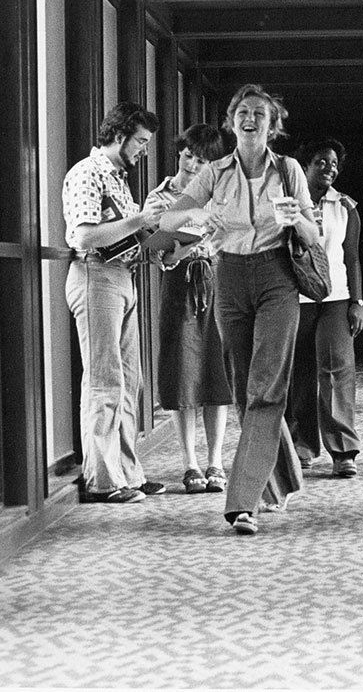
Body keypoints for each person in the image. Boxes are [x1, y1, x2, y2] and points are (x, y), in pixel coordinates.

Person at [159, 84, 317, 536]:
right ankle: (280, 477)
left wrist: (295, 220)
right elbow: (168, 219)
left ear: (272, 125)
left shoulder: (288, 171)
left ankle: (241, 501)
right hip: (228, 276)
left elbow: (313, 234)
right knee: (247, 385)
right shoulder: (213, 173)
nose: (250, 119)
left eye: (260, 114)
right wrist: (195, 218)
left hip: (277, 278)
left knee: (266, 388)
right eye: (243, 112)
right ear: (232, 121)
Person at [62, 101, 168, 503]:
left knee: (128, 381)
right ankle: (103, 480)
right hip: (95, 277)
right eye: (140, 141)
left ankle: (127, 473)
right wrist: (142, 220)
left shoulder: (117, 177)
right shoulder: (87, 173)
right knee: (104, 380)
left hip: (122, 277)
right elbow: (86, 236)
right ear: (119, 136)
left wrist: (157, 238)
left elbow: (119, 235)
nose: (143, 149)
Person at [146, 123, 235, 495]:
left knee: (218, 370)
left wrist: (217, 234)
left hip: (218, 280)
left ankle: (215, 460)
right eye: (188, 155)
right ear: (179, 152)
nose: (193, 164)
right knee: (181, 370)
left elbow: (235, 237)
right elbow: (155, 253)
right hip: (179, 283)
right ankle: (190, 462)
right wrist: (180, 246)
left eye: (203, 160)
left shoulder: (222, 195)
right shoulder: (159, 197)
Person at [287, 138, 363, 478]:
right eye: (321, 161)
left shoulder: (346, 206)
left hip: (336, 298)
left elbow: (352, 257)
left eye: (334, 163)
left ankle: (343, 450)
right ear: (305, 166)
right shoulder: (287, 204)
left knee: (336, 369)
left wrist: (357, 301)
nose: (329, 168)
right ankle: (302, 445)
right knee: (298, 373)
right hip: (296, 297)